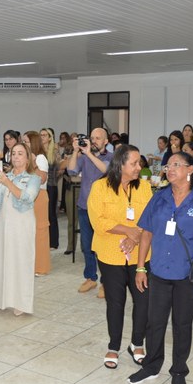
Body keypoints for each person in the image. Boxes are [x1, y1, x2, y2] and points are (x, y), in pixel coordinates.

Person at [128, 152, 193, 384]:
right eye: (168, 165)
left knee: (182, 324)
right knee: (155, 321)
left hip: (187, 274)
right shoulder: (159, 197)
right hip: (159, 270)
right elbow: (146, 232)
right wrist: (140, 268)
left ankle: (179, 370)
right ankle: (152, 365)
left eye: (176, 165)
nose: (170, 169)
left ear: (190, 169)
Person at [87, 145, 153, 370]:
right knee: (115, 302)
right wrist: (127, 230)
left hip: (140, 255)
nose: (138, 167)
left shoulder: (144, 187)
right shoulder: (100, 187)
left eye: (139, 163)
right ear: (120, 164)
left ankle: (137, 344)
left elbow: (149, 218)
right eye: (134, 163)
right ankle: (113, 346)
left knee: (143, 301)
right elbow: (98, 220)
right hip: (109, 253)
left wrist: (134, 237)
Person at [0, 143, 41, 316]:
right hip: (3, 221)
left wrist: (7, 183)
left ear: (27, 158)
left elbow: (28, 198)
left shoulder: (33, 178)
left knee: (21, 261)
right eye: (13, 153)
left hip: (22, 223)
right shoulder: (4, 175)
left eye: (20, 154)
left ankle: (20, 303)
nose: (16, 157)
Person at [67, 127, 113, 294]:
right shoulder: (84, 156)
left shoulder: (110, 157)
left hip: (104, 210)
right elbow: (71, 170)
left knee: (103, 247)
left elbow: (106, 170)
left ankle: (106, 282)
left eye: (98, 138)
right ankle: (90, 278)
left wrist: (88, 154)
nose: (94, 141)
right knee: (87, 246)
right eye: (92, 137)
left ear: (106, 141)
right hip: (85, 207)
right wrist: (75, 151)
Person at [23, 131, 51, 276]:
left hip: (39, 195)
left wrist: (33, 163)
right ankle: (30, 264)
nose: (24, 144)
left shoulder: (40, 157)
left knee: (40, 231)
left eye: (26, 142)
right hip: (29, 195)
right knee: (29, 232)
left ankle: (41, 267)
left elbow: (42, 178)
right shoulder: (27, 157)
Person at [40, 128, 60, 250]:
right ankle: (43, 240)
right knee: (41, 215)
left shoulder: (54, 151)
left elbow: (59, 167)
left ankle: (53, 242)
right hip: (40, 186)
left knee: (51, 214)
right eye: (40, 135)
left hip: (51, 185)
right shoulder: (37, 151)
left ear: (49, 137)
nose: (42, 137)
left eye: (44, 135)